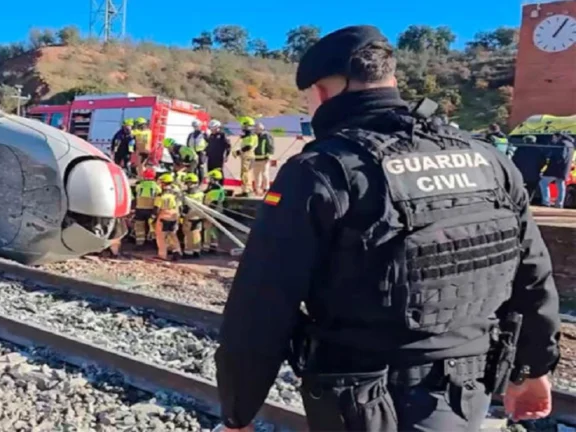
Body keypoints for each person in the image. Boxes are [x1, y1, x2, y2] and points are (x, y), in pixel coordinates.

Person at [215, 25, 561, 432]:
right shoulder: (488, 159)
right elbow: (533, 272)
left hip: (365, 399)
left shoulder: (321, 171)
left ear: (326, 92)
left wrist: (237, 412)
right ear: (390, 79)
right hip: (470, 388)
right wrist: (532, 368)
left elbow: (261, 305)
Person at [539, 132, 575, 208]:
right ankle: (559, 203)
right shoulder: (571, 145)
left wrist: (551, 157)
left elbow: (561, 156)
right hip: (565, 170)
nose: (553, 139)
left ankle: (546, 201)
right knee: (561, 185)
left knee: (543, 182)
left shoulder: (561, 144)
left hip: (555, 168)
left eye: (554, 137)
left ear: (558, 136)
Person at [153, 173, 182, 261]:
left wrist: (153, 218)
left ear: (163, 183)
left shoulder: (161, 196)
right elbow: (180, 206)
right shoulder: (176, 195)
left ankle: (162, 255)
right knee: (173, 235)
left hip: (163, 217)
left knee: (161, 237)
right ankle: (177, 251)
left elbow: (156, 209)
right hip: (174, 216)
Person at [133, 168, 161, 246]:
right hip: (151, 209)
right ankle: (154, 242)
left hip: (139, 208)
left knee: (139, 225)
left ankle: (139, 242)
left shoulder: (139, 185)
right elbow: (159, 195)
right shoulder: (156, 186)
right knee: (152, 225)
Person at [202, 168, 227, 254]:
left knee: (208, 229)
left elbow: (213, 202)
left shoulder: (215, 189)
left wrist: (208, 212)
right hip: (215, 210)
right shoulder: (216, 188)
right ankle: (214, 245)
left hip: (212, 211)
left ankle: (207, 246)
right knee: (213, 229)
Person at [181, 173, 205, 258]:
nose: (187, 185)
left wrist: (182, 214)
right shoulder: (201, 193)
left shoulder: (186, 194)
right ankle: (197, 250)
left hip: (189, 216)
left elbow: (184, 206)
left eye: (187, 183)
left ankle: (188, 252)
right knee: (196, 233)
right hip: (199, 215)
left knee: (188, 234)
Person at [233, 117, 257, 197]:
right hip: (247, 155)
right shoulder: (249, 135)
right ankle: (246, 189)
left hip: (247, 155)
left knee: (245, 173)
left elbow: (248, 147)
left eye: (243, 125)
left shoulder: (251, 135)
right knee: (246, 173)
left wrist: (238, 152)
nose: (242, 127)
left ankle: (246, 191)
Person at [252, 122, 275, 195]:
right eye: (255, 129)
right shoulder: (254, 136)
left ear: (261, 129)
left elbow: (270, 146)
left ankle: (266, 188)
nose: (255, 130)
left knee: (264, 174)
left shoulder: (266, 136)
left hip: (264, 159)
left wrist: (268, 156)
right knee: (256, 175)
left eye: (257, 129)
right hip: (255, 158)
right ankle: (257, 189)